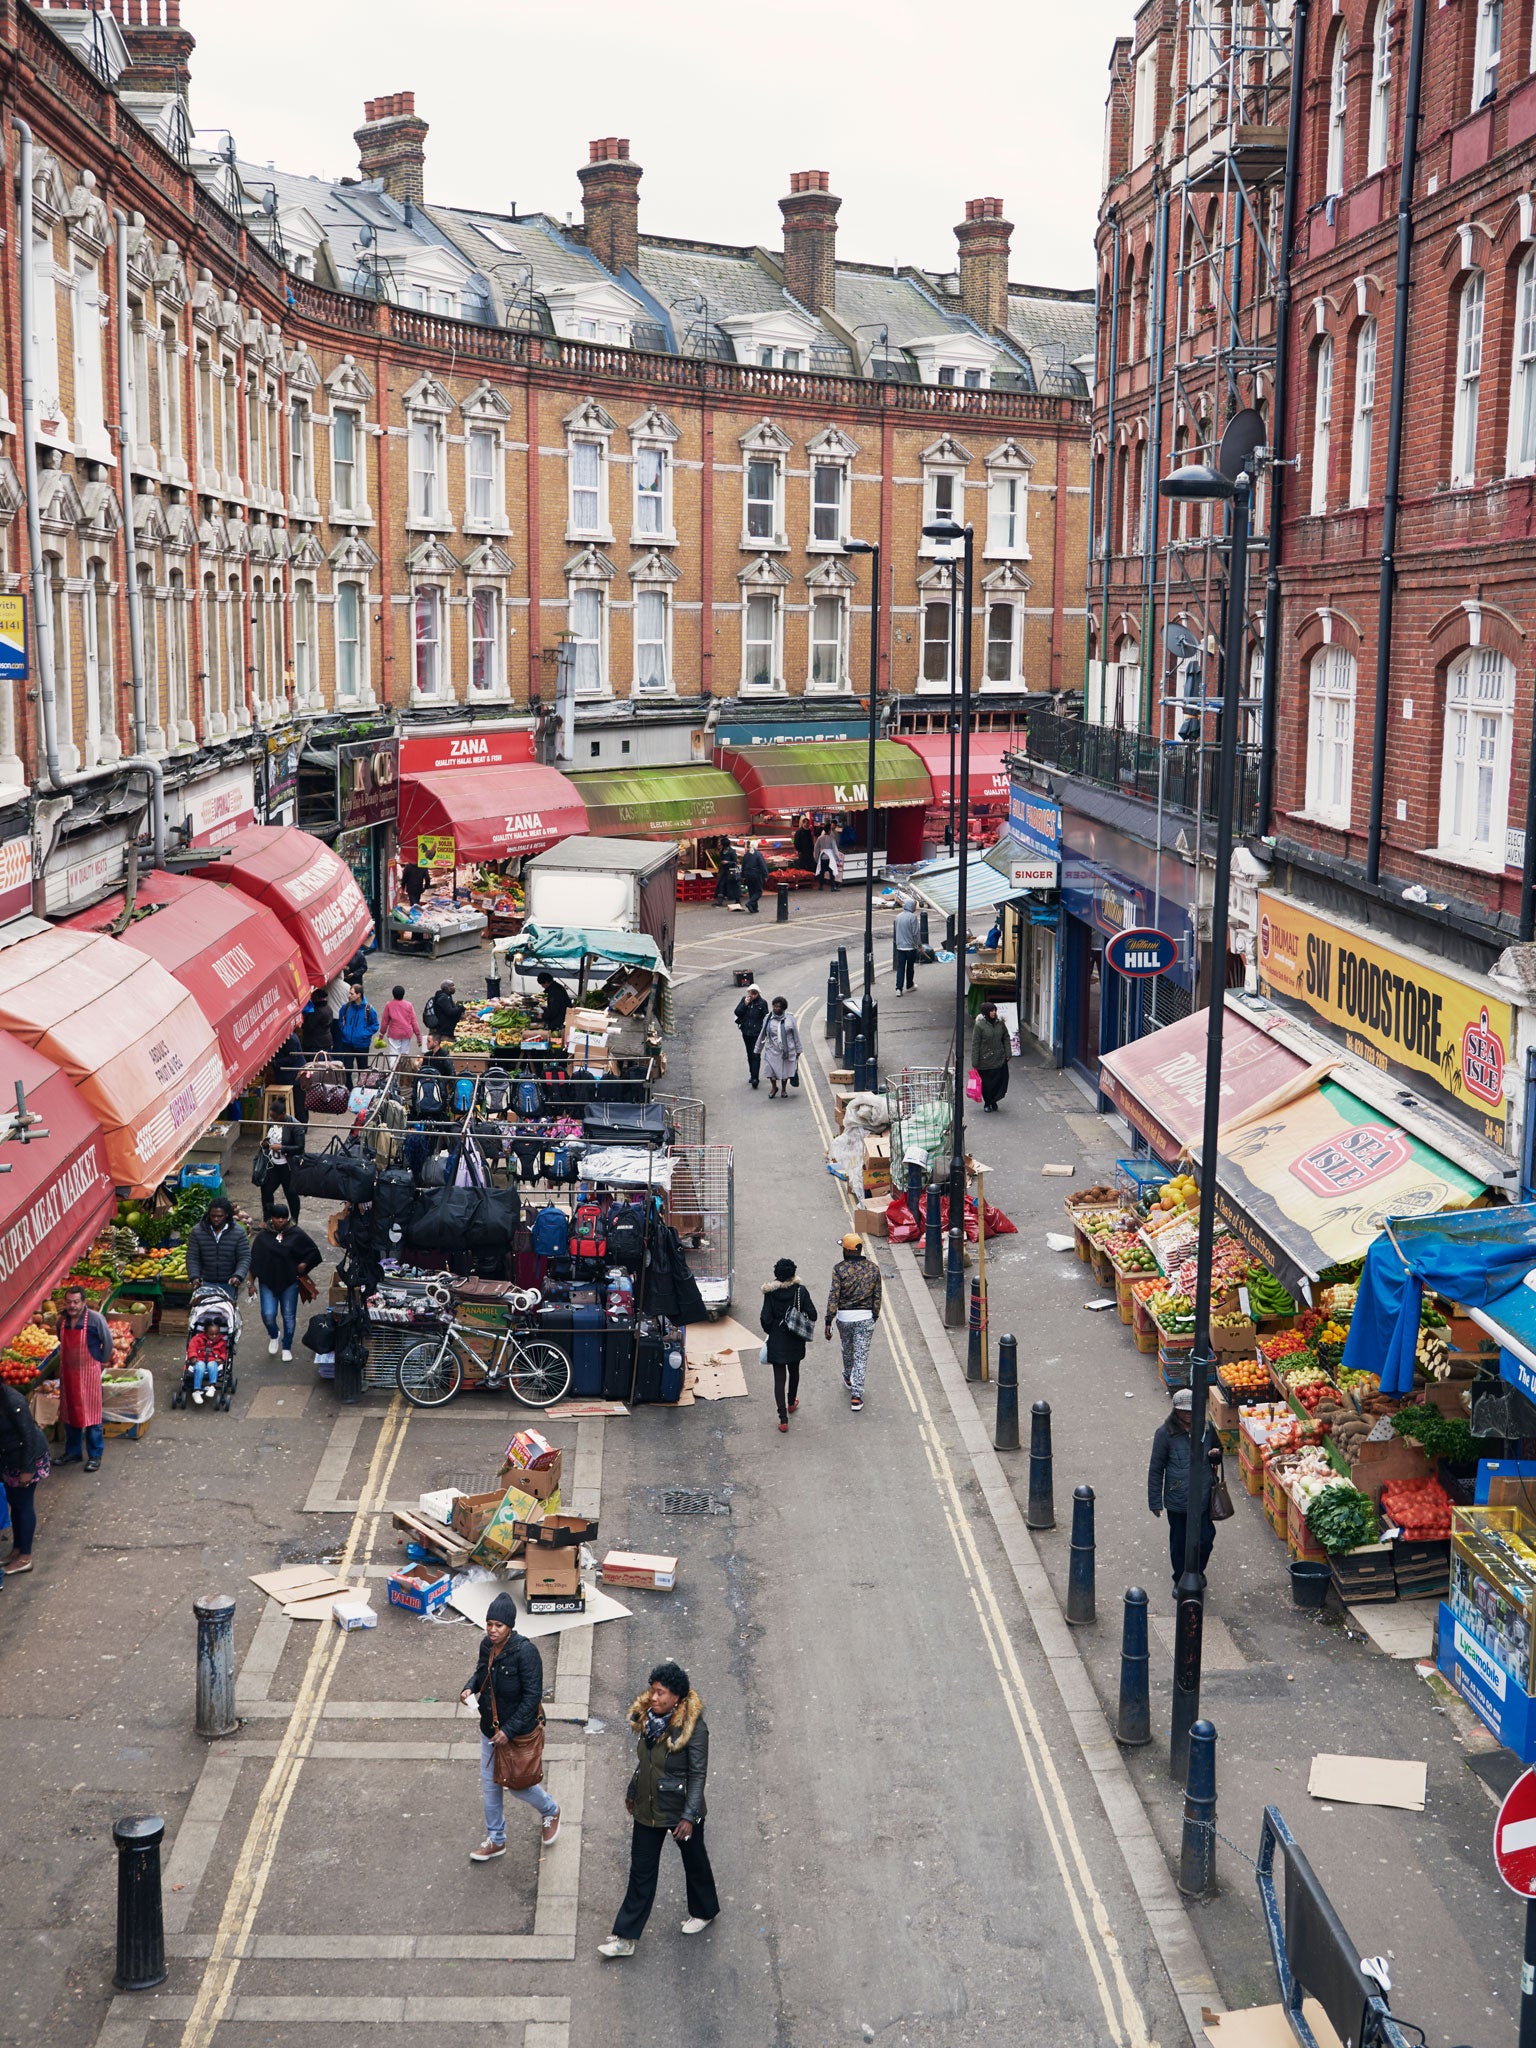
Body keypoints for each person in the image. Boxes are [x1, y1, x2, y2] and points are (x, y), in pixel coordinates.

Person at [599, 1660, 718, 1958]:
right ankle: (625, 1938)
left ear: (676, 1697)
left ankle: (704, 1911)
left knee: (695, 1862)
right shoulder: (648, 1721)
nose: (654, 1698)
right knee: (641, 1872)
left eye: (661, 1693)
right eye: (653, 1691)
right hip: (647, 1807)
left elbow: (698, 1774)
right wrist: (632, 1790)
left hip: (680, 1811)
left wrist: (689, 1817)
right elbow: (646, 1764)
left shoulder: (694, 1729)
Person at [462, 1591, 560, 1859]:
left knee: (519, 1784)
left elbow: (532, 1698)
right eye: (489, 1624)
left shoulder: (526, 1653)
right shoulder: (486, 1646)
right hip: (490, 1731)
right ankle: (496, 1839)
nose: (492, 1630)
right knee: (490, 1786)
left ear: (510, 1627)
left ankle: (551, 1811)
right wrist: (469, 1688)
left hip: (518, 1735)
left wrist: (509, 1730)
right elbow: (481, 1673)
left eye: (498, 1626)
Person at [1147, 1388, 1224, 1592]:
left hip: (1203, 1497)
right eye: (1184, 1411)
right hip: (1178, 1500)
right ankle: (1180, 1579)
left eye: (1192, 1410)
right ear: (1176, 1411)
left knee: (1206, 1539)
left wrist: (1215, 1454)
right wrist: (1155, 1502)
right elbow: (1156, 1469)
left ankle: (1197, 1571)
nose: (1189, 1414)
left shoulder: (1206, 1429)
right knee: (1180, 1543)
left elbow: (1218, 1451)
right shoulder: (1164, 1434)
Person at [248, 1204, 322, 1362]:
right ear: (271, 1218)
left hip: (289, 1282)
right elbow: (254, 1261)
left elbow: (313, 1251)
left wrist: (304, 1264)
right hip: (267, 1281)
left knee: (289, 1316)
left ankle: (286, 1346)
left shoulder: (296, 1234)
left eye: (283, 1217)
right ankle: (274, 1335)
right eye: (277, 1217)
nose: (280, 1221)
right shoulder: (262, 1237)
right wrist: (251, 1284)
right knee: (268, 1314)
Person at [54, 1284, 114, 1471]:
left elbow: (108, 1343)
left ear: (84, 1302)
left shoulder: (96, 1319)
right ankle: (73, 1452)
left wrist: (100, 1362)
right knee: (70, 1413)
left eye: (76, 1302)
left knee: (92, 1415)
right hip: (68, 1374)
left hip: (89, 1374)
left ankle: (95, 1456)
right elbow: (60, 1339)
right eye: (69, 1302)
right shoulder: (61, 1321)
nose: (72, 1306)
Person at [823, 1232, 882, 1411]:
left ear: (847, 1251)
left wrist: (828, 1321)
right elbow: (877, 1295)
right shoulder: (873, 1268)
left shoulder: (839, 1269)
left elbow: (834, 1296)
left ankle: (848, 1376)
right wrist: (874, 1315)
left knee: (847, 1349)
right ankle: (857, 1396)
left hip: (844, 1318)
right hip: (865, 1318)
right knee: (861, 1355)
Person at [760, 1257, 816, 1431]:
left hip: (777, 1340)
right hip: (795, 1339)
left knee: (779, 1379)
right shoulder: (801, 1291)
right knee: (794, 1371)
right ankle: (792, 1402)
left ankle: (783, 1420)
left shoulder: (770, 1293)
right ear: (793, 1273)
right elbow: (813, 1314)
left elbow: (765, 1318)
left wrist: (773, 1331)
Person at [0, 1379, 50, 1569]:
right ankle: (16, 1549)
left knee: (24, 1504)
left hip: (28, 1458)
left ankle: (25, 1556)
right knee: (14, 1502)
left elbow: (28, 1435)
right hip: (8, 1459)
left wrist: (27, 1470)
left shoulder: (13, 1400)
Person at [185, 1199, 252, 1303]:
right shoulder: (197, 1231)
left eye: (220, 1216)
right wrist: (194, 1276)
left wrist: (238, 1275)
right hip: (205, 1283)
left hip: (228, 1284)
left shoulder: (238, 1232)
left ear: (226, 1215)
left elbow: (244, 1257)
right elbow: (192, 1257)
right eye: (213, 1216)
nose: (216, 1219)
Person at [254, 1123, 303, 1224]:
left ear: (282, 1114)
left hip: (287, 1167)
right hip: (273, 1165)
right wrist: (265, 1144)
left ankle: (294, 1220)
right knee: (266, 1191)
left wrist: (282, 1147)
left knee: (291, 1193)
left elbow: (299, 1147)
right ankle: (267, 1220)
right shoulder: (271, 1124)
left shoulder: (293, 1126)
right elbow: (269, 1139)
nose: (272, 1118)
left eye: (274, 1116)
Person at [755, 995, 802, 1100]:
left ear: (783, 1008)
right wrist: (758, 1049)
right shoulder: (768, 1018)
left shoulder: (790, 1018)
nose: (775, 1008)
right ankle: (774, 1087)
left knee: (784, 1071)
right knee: (770, 1070)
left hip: (786, 1050)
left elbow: (796, 1035)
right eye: (774, 1006)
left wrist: (798, 1049)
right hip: (771, 1049)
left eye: (778, 1007)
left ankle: (783, 1089)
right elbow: (762, 1033)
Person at [971, 999, 1012, 1112]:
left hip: (999, 1058)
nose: (994, 1012)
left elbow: (1006, 1037)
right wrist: (975, 1062)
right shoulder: (979, 1026)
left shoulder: (1000, 1023)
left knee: (1000, 1081)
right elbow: (975, 1044)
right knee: (988, 1084)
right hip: (985, 1060)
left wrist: (1008, 1053)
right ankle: (988, 1103)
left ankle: (994, 1100)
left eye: (995, 1010)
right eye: (991, 1010)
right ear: (985, 1012)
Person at [334, 982, 379, 1075]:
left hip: (362, 1045)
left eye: (352, 993)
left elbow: (375, 1025)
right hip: (347, 1044)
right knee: (347, 1070)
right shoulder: (346, 1007)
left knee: (362, 1071)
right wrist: (344, 1030)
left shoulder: (369, 1009)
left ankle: (360, 1088)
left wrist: (363, 1034)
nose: (349, 996)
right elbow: (340, 1020)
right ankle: (348, 1088)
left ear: (359, 995)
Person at [733, 984, 768, 1088]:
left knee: (755, 1054)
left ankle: (755, 1078)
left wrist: (764, 1031)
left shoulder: (763, 1003)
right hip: (746, 1032)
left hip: (757, 1033)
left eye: (754, 993)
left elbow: (765, 1017)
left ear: (758, 993)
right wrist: (745, 1004)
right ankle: (752, 1074)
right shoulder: (744, 1000)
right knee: (749, 1054)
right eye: (750, 992)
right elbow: (737, 1012)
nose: (752, 995)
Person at [380, 984, 421, 1065]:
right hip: (406, 1032)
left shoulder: (389, 1005)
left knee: (394, 1054)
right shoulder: (409, 1005)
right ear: (403, 994)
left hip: (394, 1033)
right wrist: (418, 1036)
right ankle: (403, 1072)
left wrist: (381, 1034)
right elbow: (414, 1022)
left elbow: (385, 1022)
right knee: (404, 1054)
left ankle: (393, 1073)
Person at [893, 896, 922, 995]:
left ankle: (898, 988)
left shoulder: (898, 917)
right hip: (910, 947)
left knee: (900, 967)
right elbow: (916, 933)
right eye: (914, 906)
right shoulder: (912, 917)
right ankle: (909, 985)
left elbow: (896, 931)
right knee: (910, 967)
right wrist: (919, 945)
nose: (914, 907)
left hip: (900, 946)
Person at [739, 840, 769, 915]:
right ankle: (750, 903)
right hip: (756, 874)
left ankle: (754, 908)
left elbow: (743, 866)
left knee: (752, 891)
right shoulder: (758, 854)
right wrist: (765, 875)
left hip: (747, 875)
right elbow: (763, 865)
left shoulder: (746, 855)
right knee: (759, 891)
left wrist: (742, 876)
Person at [300, 992, 335, 1056]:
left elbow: (308, 1026)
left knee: (317, 1062)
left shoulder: (316, 1011)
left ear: (316, 998)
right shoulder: (328, 1008)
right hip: (326, 1040)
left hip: (316, 1042)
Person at [813, 825, 842, 890]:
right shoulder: (831, 838)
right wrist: (838, 858)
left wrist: (816, 858)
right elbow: (835, 849)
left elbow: (816, 848)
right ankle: (833, 887)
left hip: (822, 856)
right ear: (829, 830)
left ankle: (821, 886)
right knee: (831, 872)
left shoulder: (820, 838)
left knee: (822, 872)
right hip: (830, 857)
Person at [712, 841, 740, 907]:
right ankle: (720, 902)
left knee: (733, 886)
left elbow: (735, 862)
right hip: (723, 871)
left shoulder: (732, 852)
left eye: (721, 844)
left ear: (725, 845)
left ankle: (737, 900)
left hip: (730, 872)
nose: (720, 845)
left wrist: (728, 862)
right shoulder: (722, 851)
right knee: (721, 885)